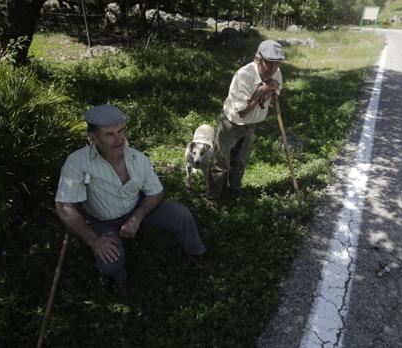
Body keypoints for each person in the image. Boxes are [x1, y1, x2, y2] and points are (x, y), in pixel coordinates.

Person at [55, 104, 207, 298]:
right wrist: (94, 241)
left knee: (181, 214)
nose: (119, 139)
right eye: (109, 134)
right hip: (102, 221)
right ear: (92, 138)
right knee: (109, 262)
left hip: (136, 209)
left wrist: (137, 217)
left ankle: (196, 254)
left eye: (120, 131)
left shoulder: (137, 158)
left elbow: (156, 193)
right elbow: (64, 206)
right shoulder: (77, 162)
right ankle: (120, 279)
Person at [207, 39, 285, 208]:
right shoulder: (243, 76)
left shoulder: (276, 73)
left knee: (240, 160)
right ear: (258, 59)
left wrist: (271, 91)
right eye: (269, 63)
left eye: (276, 64)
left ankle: (234, 191)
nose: (273, 69)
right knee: (221, 162)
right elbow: (242, 112)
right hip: (231, 124)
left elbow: (274, 96)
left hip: (251, 125)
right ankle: (213, 198)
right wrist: (263, 89)